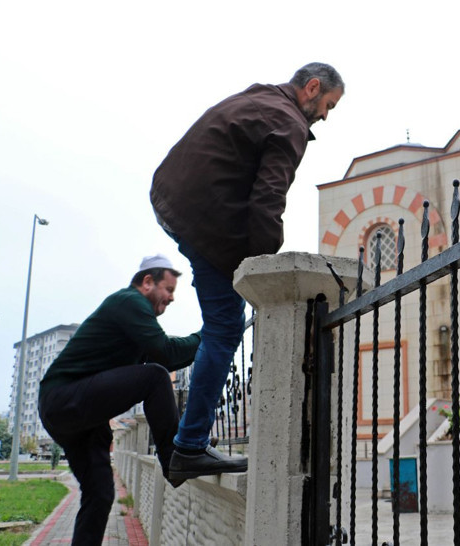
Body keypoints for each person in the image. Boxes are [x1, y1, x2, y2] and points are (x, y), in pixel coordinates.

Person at [150, 62, 345, 480]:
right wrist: (264, 269)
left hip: (172, 198)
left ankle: (191, 436)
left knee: (221, 325)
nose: (326, 116)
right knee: (225, 329)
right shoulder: (289, 123)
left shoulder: (261, 95)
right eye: (328, 105)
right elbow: (268, 199)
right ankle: (189, 447)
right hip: (201, 218)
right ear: (312, 88)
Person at [39, 255, 200, 545]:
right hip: (64, 398)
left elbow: (165, 354)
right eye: (169, 289)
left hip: (78, 418)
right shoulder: (129, 302)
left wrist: (201, 343)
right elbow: (163, 354)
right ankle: (174, 459)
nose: (172, 298)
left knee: (100, 493)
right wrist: (208, 336)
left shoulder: (132, 325)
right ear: (147, 282)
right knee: (154, 376)